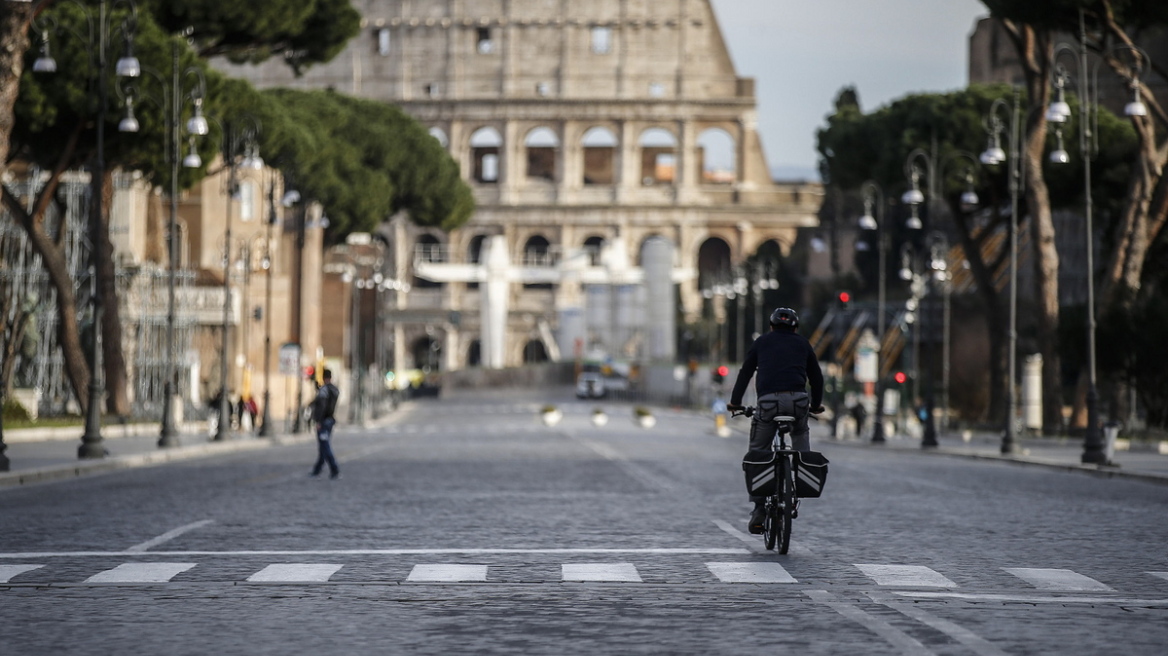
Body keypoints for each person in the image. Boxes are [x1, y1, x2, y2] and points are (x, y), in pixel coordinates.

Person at [727, 307, 825, 534]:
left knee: (758, 450)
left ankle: (759, 508)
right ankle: (801, 479)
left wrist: (735, 402)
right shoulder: (803, 343)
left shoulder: (762, 342)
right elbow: (816, 377)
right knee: (800, 435)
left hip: (768, 403)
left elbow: (745, 372)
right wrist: (816, 404)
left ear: (771, 327)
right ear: (795, 328)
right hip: (799, 402)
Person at [309, 369, 341, 479]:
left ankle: (334, 468)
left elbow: (322, 405)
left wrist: (318, 421)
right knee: (323, 446)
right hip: (330, 420)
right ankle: (317, 469)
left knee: (325, 445)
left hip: (323, 421)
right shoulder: (334, 389)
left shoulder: (324, 390)